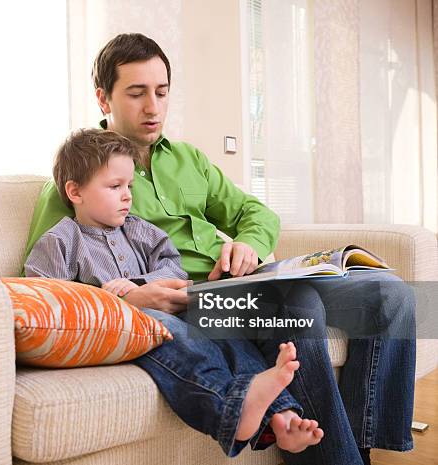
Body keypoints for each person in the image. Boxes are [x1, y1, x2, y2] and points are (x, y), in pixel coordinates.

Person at [23, 33, 416, 465]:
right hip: (195, 296)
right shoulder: (77, 182)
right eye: (136, 94)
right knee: (298, 303)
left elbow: (256, 212)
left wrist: (248, 242)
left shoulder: (189, 159)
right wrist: (129, 294)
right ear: (103, 98)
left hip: (248, 275)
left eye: (162, 92)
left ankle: (360, 445)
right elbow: (47, 293)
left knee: (389, 294)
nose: (153, 107)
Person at [24, 128, 323, 456]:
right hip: (128, 328)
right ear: (75, 192)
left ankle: (281, 415)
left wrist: (143, 284)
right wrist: (111, 298)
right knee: (184, 341)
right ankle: (231, 411)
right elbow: (47, 298)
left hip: (172, 310)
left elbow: (173, 268)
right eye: (114, 187)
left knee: (225, 332)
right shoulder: (61, 240)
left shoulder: (140, 230)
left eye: (129, 186)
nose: (127, 196)